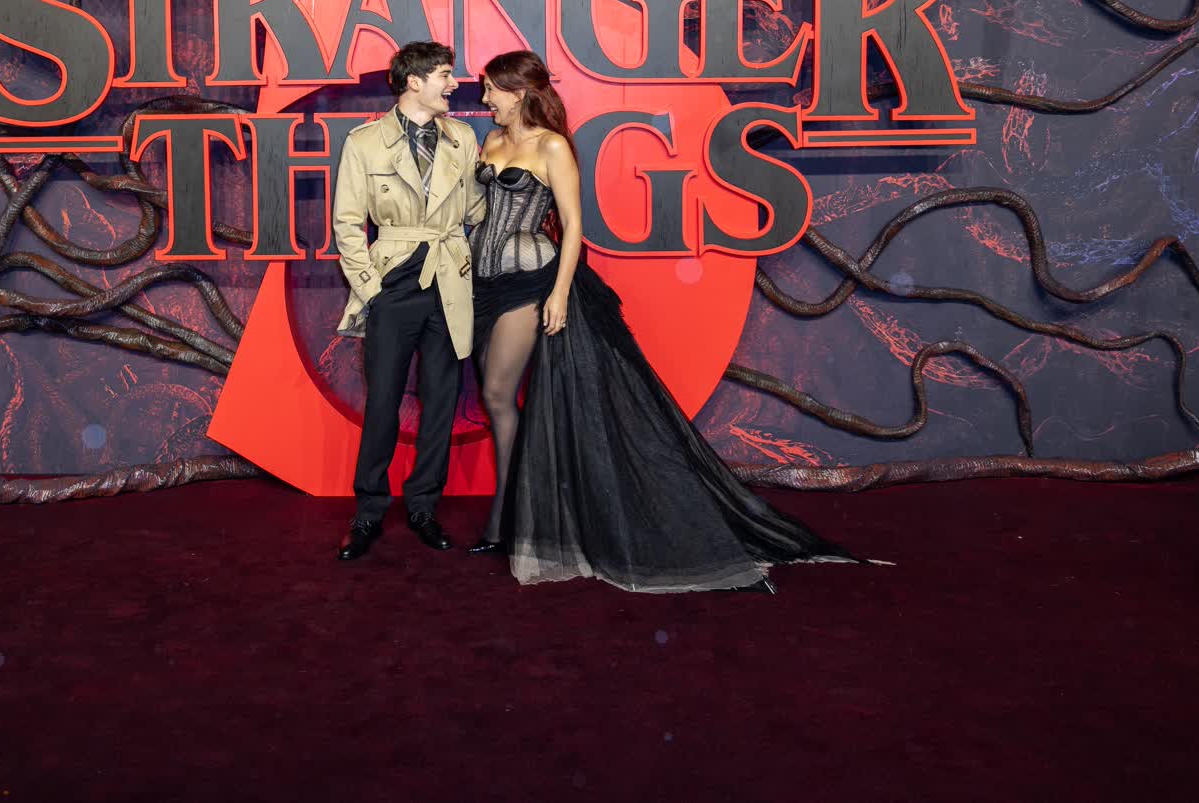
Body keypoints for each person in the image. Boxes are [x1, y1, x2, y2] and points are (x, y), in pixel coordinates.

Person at [468, 49, 859, 592]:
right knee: (496, 401)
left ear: (517, 92)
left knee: (496, 395)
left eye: (491, 88)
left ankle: (505, 521)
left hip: (530, 283)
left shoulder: (551, 146)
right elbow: (479, 212)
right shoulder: (491, 141)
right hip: (481, 286)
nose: (485, 97)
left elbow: (574, 225)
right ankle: (513, 516)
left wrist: (558, 294)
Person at [331, 41, 485, 561]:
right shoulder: (365, 142)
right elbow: (348, 224)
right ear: (413, 81)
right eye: (445, 74)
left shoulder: (463, 138)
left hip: (450, 277)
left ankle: (423, 507)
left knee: (441, 401)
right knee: (383, 402)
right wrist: (371, 291)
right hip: (393, 280)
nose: (454, 84)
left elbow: (477, 210)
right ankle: (369, 511)